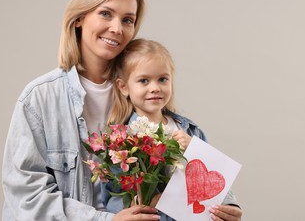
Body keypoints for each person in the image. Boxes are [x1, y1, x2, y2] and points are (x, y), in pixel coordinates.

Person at [2, 0, 161, 221]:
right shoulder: (39, 98)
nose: (117, 29)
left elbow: (180, 145)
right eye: (106, 14)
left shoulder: (139, 90)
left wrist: (224, 202)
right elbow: (27, 196)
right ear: (79, 18)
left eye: (127, 20)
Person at [103, 39, 243, 221]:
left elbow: (213, 177)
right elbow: (114, 200)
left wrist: (229, 206)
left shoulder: (190, 131)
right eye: (144, 81)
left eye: (163, 79)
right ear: (124, 87)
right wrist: (150, 200)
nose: (155, 88)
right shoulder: (122, 143)